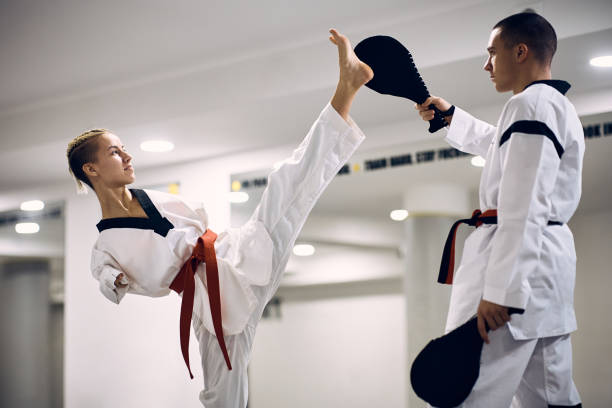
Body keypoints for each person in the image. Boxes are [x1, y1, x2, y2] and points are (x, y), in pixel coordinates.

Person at [66, 29, 373, 408]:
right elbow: (106, 279)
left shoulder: (153, 197)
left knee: (288, 183)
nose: (127, 157)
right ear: (91, 169)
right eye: (115, 152)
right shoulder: (105, 244)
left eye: (126, 149)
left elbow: (196, 225)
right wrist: (117, 278)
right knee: (223, 396)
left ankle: (348, 86)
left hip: (235, 255)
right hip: (211, 305)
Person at [416, 12, 583, 407]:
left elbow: (523, 204)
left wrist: (501, 290)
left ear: (520, 51)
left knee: (467, 394)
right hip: (545, 274)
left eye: (492, 53)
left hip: (515, 275)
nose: (486, 64)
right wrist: (453, 119)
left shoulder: (530, 105)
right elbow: (504, 149)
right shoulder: (549, 106)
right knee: (551, 397)